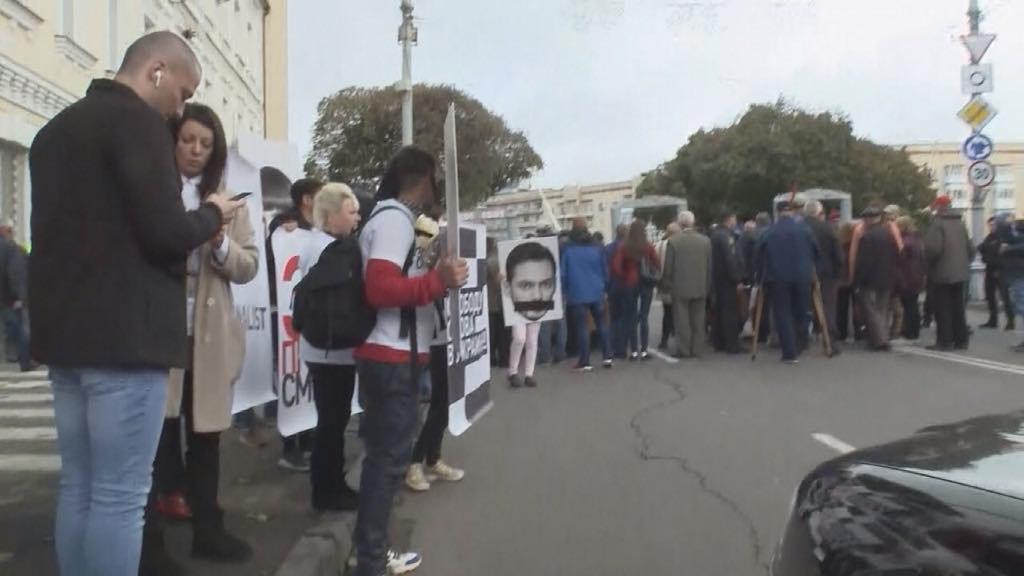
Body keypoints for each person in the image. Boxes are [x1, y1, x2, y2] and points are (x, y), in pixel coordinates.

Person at [29, 31, 243, 576]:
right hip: (128, 340)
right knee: (120, 496)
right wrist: (213, 214)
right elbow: (166, 233)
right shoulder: (140, 125)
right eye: (183, 91)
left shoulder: (54, 132)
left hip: (66, 340)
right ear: (156, 71)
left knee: (79, 486)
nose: (182, 107)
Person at [142, 102, 260, 572]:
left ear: (215, 152)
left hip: (209, 336)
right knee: (155, 437)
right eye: (187, 140)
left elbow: (248, 266)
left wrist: (220, 242)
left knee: (207, 436)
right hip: (160, 331)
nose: (195, 150)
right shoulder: (155, 192)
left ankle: (208, 530)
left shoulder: (230, 201)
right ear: (172, 140)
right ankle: (149, 544)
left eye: (205, 144)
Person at [352, 146, 468, 576]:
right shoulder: (393, 221)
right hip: (390, 358)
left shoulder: (396, 221)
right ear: (425, 179)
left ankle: (369, 553)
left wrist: (432, 274)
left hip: (395, 355)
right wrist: (437, 281)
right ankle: (371, 561)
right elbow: (380, 289)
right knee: (386, 465)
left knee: (385, 462)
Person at [294, 183, 364, 511]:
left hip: (325, 348)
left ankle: (331, 485)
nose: (358, 217)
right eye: (352, 211)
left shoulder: (317, 244)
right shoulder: (329, 249)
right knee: (332, 422)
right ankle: (327, 491)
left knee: (333, 419)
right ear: (332, 215)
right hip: (330, 350)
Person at [266, 178, 324, 472]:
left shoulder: (319, 229)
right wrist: (281, 230)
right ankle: (290, 446)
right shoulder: (283, 228)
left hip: (312, 318)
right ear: (306, 199)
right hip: (288, 319)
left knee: (310, 377)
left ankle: (309, 439)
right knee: (290, 374)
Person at [759, 202, 818, 364]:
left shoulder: (769, 231)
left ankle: (790, 352)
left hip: (778, 278)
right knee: (801, 311)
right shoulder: (805, 230)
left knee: (783, 314)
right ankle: (801, 344)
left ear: (777, 212)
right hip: (802, 276)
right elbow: (816, 251)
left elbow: (760, 256)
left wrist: (758, 279)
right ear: (792, 212)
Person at [924, 195, 974, 351]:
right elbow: (970, 248)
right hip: (961, 273)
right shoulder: (960, 223)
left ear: (938, 207)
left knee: (942, 308)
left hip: (942, 273)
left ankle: (945, 341)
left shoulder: (937, 223)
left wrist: (928, 263)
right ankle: (961, 340)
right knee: (958, 307)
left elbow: (933, 249)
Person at [562, 218, 613, 371]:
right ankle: (607, 357)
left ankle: (585, 361)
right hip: (597, 291)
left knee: (582, 327)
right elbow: (605, 269)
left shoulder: (567, 248)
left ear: (573, 229)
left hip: (577, 293)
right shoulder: (597, 247)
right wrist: (605, 288)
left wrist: (564, 291)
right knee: (602, 324)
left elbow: (564, 274)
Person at [504, 241, 557, 386]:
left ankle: (528, 374)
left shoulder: (540, 301)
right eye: (526, 285)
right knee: (519, 338)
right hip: (517, 310)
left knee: (532, 340)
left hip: (534, 309)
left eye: (545, 284)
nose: (537, 295)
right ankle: (513, 371)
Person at [661, 211, 711, 359]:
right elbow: (709, 266)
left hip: (680, 287)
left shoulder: (673, 241)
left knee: (682, 320)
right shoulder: (705, 241)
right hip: (700, 285)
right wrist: (708, 285)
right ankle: (697, 348)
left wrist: (666, 285)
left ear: (680, 223)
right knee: (698, 320)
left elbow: (668, 267)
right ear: (693, 222)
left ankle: (684, 349)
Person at [611, 220, 660, 360]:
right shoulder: (648, 246)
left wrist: (623, 276)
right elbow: (657, 263)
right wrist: (653, 273)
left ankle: (633, 351)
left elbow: (615, 266)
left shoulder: (624, 247)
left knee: (631, 317)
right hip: (646, 284)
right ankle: (644, 350)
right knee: (644, 316)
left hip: (629, 283)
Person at [854, 205, 899, 351]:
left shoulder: (867, 237)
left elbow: (864, 262)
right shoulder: (888, 235)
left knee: (871, 310)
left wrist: (858, 280)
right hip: (887, 278)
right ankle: (884, 337)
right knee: (883, 310)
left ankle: (880, 340)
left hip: (870, 280)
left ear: (868, 219)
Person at [805, 201, 844, 354]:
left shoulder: (800, 227)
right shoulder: (827, 228)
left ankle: (800, 340)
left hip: (804, 272)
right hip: (828, 274)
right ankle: (830, 342)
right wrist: (839, 272)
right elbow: (837, 253)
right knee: (828, 307)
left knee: (803, 306)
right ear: (819, 212)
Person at [710, 213, 743, 354]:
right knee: (730, 312)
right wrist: (737, 279)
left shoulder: (714, 235)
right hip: (728, 280)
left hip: (716, 278)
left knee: (718, 311)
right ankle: (732, 344)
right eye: (734, 219)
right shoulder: (727, 236)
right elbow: (730, 259)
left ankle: (719, 342)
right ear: (729, 219)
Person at [0, 222, 31, 371]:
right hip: (8, 298)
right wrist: (19, 296)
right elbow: (14, 274)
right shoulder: (12, 249)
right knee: (18, 328)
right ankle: (23, 360)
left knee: (10, 328)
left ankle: (10, 354)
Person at [979, 215, 1015, 330]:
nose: (991, 227)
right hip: (989, 269)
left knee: (1004, 296)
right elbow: (983, 249)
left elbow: (1002, 254)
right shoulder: (988, 238)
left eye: (993, 225)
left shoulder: (1003, 237)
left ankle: (1010, 320)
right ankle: (992, 320)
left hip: (1001, 270)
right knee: (989, 295)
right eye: (989, 225)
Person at [896, 216, 926, 342]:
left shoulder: (905, 241)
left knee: (909, 305)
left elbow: (900, 259)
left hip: (907, 276)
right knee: (913, 304)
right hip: (917, 275)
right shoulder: (918, 239)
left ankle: (910, 332)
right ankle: (914, 331)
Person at [605, 224, 629, 358]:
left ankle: (612, 347)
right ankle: (623, 347)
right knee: (625, 318)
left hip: (612, 286)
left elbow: (605, 268)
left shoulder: (608, 248)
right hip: (627, 286)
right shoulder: (629, 248)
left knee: (613, 318)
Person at [656, 223, 681, 350]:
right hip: (677, 283)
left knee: (667, 312)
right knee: (679, 312)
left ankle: (664, 340)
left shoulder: (660, 245)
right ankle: (677, 335)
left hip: (663, 283)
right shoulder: (678, 244)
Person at [486, 237, 510, 368]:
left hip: (490, 302)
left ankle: (491, 359)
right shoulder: (501, 258)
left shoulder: (486, 260)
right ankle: (504, 359)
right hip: (502, 301)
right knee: (504, 333)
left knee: (491, 333)